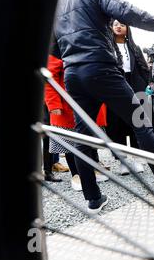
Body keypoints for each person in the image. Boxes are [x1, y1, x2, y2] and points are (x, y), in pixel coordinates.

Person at [54, 0, 154, 214]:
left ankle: (93, 198)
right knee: (141, 122)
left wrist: (72, 55)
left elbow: (51, 46)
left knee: (82, 135)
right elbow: (126, 11)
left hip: (73, 74)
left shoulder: (56, 3)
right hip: (101, 67)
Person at [45, 45, 108, 191]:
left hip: (90, 101)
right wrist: (53, 104)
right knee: (70, 142)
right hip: (67, 104)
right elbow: (49, 78)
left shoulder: (85, 43)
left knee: (89, 140)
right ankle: (76, 175)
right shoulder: (57, 48)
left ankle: (91, 169)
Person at [106, 19, 150, 176]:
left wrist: (148, 84)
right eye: (115, 24)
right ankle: (123, 161)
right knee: (117, 125)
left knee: (136, 123)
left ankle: (138, 159)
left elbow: (144, 68)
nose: (118, 26)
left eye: (122, 24)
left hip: (135, 86)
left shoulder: (134, 47)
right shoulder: (107, 46)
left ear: (127, 28)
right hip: (115, 86)